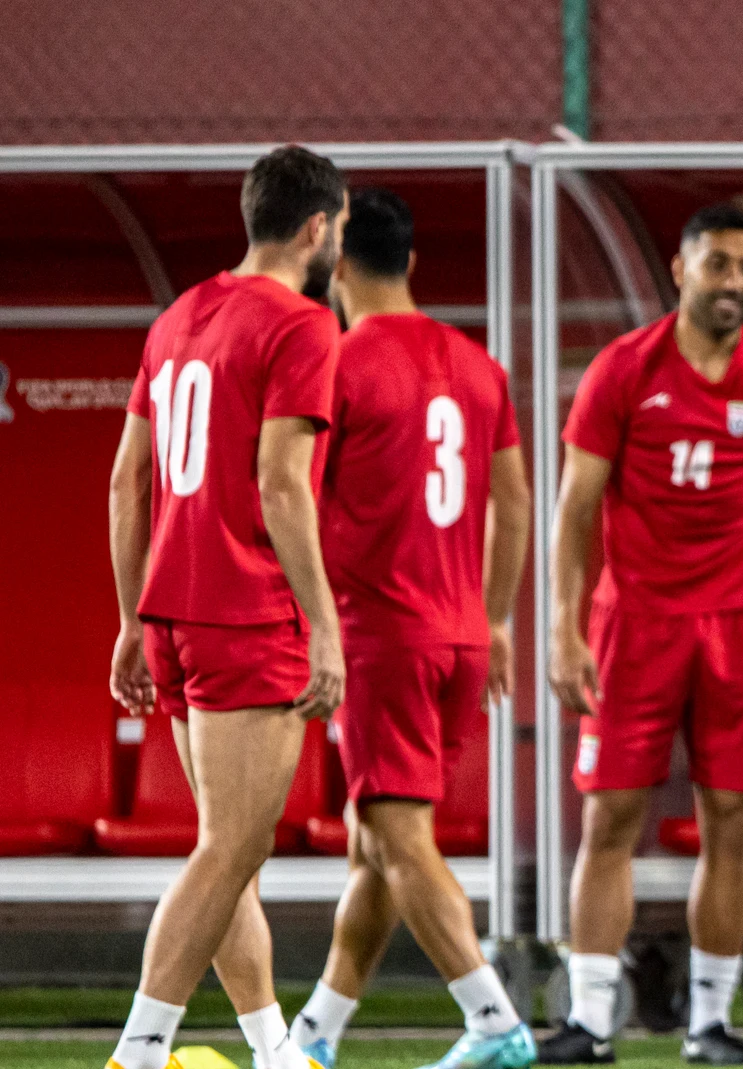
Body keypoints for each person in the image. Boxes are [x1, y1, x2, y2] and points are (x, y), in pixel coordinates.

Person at [543, 203, 743, 1065]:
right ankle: (591, 1020)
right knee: (610, 816)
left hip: (736, 627)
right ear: (681, 269)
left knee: (733, 820)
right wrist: (565, 628)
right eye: (720, 264)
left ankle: (709, 1023)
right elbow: (576, 507)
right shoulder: (624, 370)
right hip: (631, 620)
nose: (736, 283)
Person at [104, 145, 350, 1069]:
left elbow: (129, 481)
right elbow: (283, 486)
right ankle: (137, 1051)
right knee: (230, 849)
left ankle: (271, 1049)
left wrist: (132, 620)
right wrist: (325, 626)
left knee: (228, 850)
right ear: (319, 226)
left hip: (173, 611)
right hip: (247, 611)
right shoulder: (300, 324)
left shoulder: (178, 319)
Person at [286, 189, 535, 1069]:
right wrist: (498, 617)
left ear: (337, 267)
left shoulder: (336, 361)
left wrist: (305, 624)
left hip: (381, 634)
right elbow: (514, 501)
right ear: (413, 265)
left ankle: (495, 1021)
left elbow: (297, 501)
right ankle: (313, 1037)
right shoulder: (478, 365)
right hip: (461, 633)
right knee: (375, 845)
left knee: (398, 835)